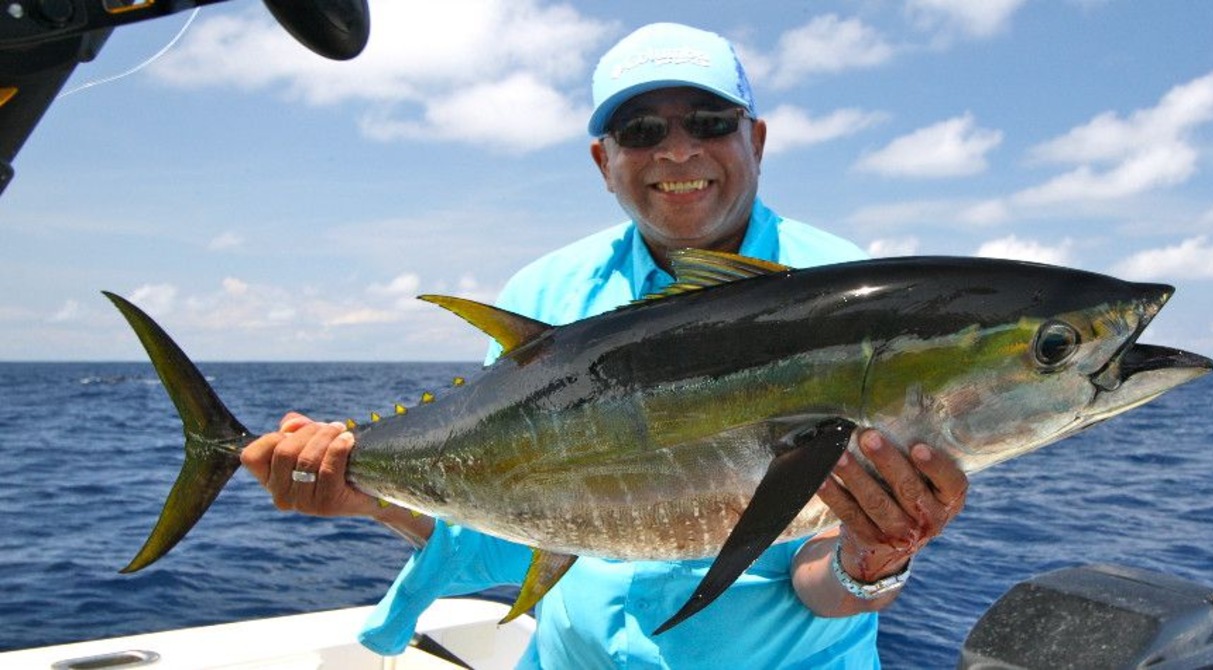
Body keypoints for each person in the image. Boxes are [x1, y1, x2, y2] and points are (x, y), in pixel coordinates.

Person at [241, 23, 968, 669]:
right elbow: (510, 516)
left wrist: (871, 559)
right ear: (603, 160)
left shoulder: (851, 298)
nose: (678, 150)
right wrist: (365, 495)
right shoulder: (547, 293)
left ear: (758, 140)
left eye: (711, 120)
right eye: (642, 131)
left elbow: (822, 571)